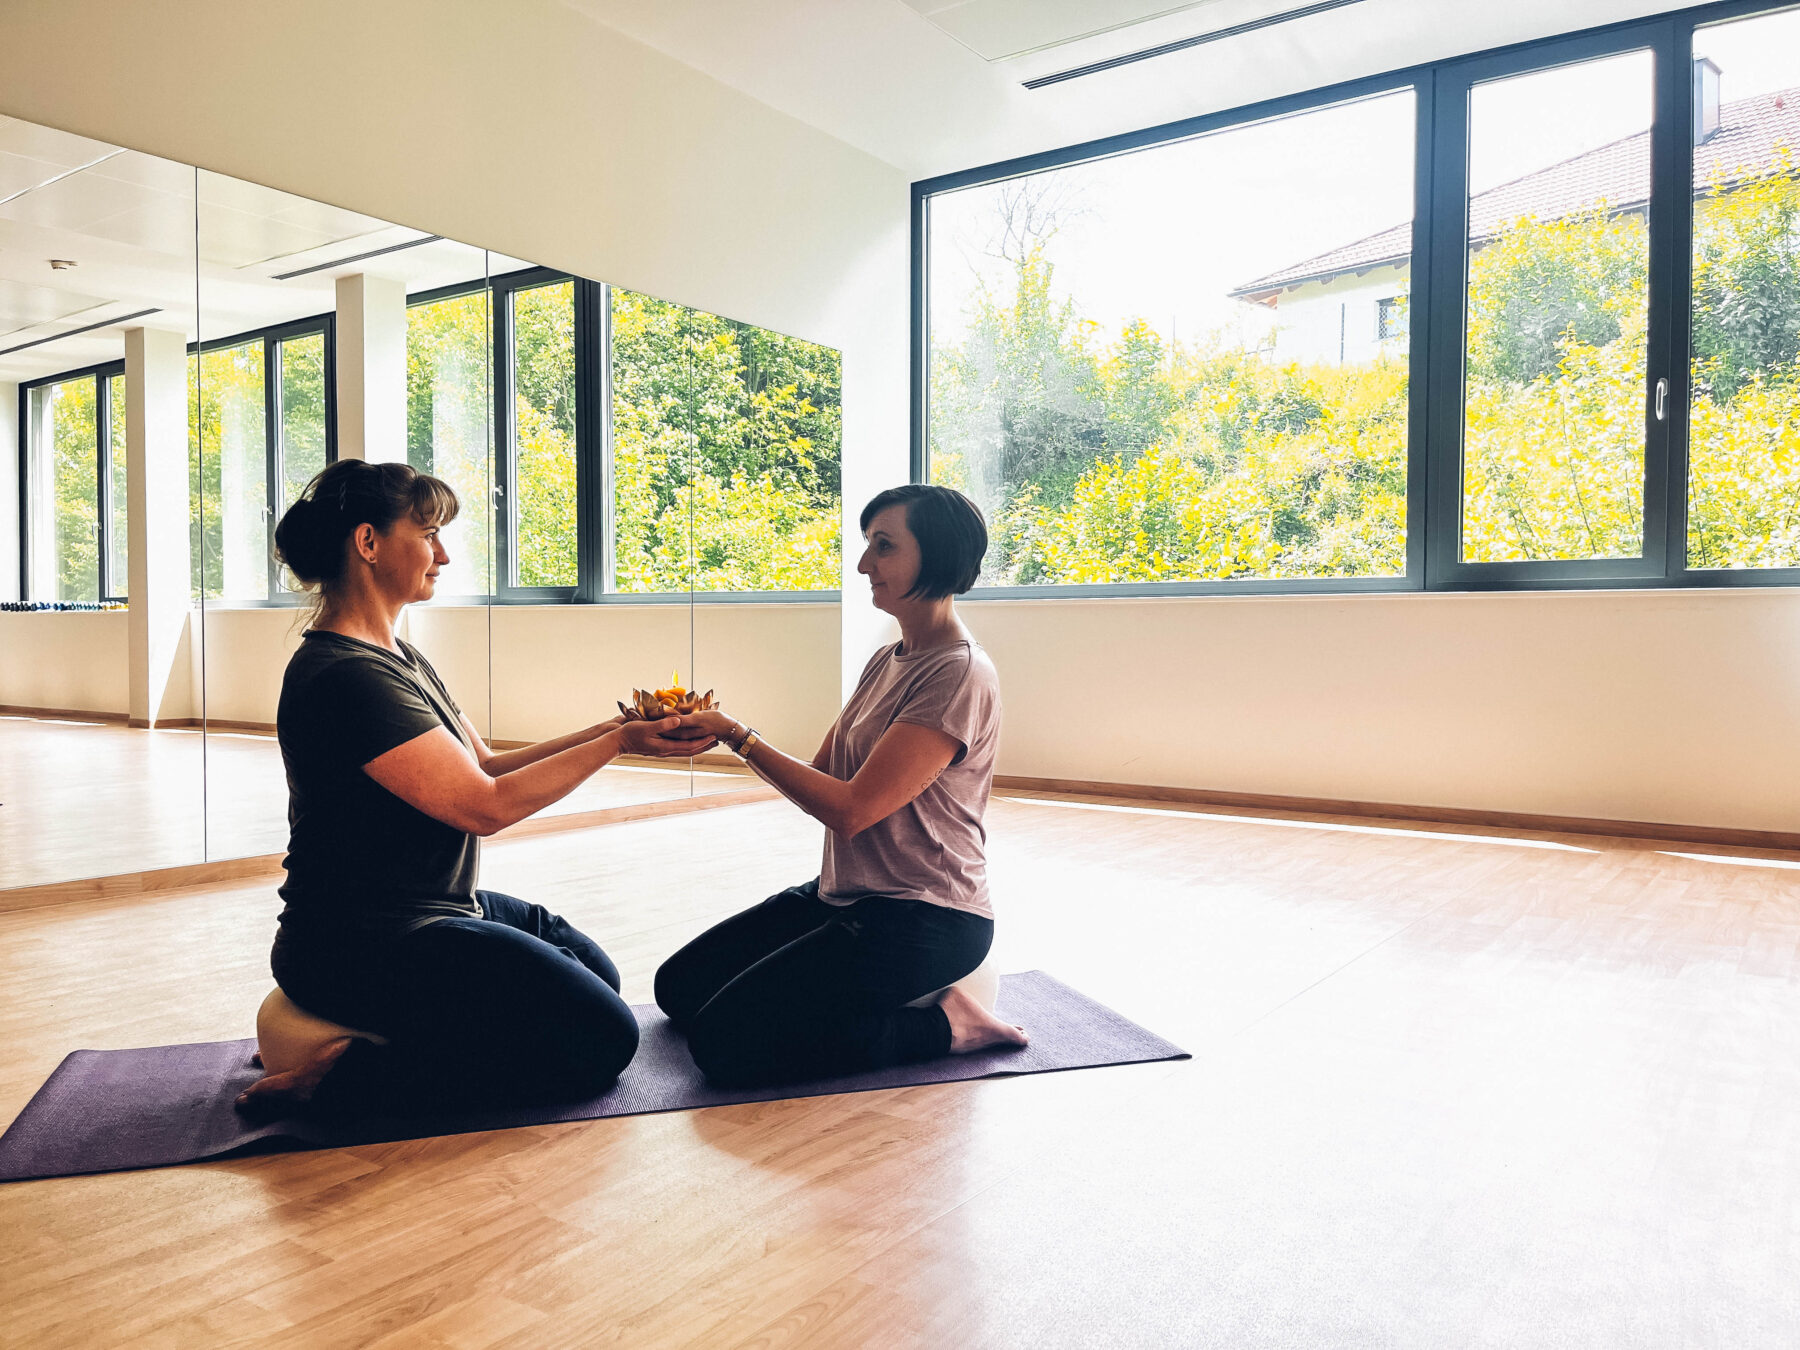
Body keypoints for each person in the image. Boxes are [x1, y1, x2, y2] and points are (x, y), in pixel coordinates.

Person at [236, 459, 709, 1119]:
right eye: (428, 533)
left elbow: (484, 764)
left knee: (596, 975)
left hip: (435, 907)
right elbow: (482, 807)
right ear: (368, 543)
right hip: (358, 943)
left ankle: (405, 1039)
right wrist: (620, 746)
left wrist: (618, 726)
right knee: (605, 1038)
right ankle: (345, 1077)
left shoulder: (400, 657)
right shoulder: (343, 675)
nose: (444, 555)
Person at [654, 483, 1028, 1088]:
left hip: (925, 917)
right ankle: (893, 1001)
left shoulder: (958, 674)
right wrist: (716, 733)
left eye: (884, 546)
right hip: (846, 895)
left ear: (935, 556)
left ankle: (951, 1027)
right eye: (867, 545)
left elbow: (852, 811)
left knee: (724, 1044)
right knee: (679, 989)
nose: (863, 564)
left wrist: (737, 734)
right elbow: (825, 774)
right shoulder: (887, 660)